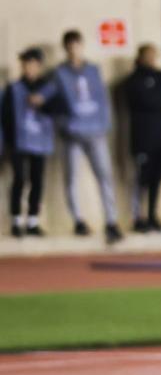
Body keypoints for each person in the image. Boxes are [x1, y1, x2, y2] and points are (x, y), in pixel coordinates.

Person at [51, 30, 123, 243]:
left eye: (77, 46)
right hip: (72, 133)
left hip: (96, 132)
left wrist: (105, 124)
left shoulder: (93, 70)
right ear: (66, 49)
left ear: (81, 46)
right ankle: (79, 220)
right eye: (70, 47)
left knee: (104, 175)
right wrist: (64, 124)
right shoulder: (59, 74)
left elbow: (102, 99)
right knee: (71, 177)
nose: (74, 50)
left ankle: (111, 221)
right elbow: (51, 99)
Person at [2, 48, 57, 237]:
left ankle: (32, 221)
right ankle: (16, 221)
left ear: (39, 67)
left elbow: (60, 110)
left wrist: (42, 102)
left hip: (40, 141)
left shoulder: (48, 89)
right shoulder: (13, 88)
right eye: (26, 64)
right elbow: (5, 118)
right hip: (18, 142)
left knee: (37, 181)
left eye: (32, 65)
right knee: (19, 180)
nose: (29, 68)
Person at [122, 43, 161, 232]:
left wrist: (154, 99)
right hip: (142, 137)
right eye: (148, 55)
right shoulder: (133, 80)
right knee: (140, 179)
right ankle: (138, 216)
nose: (151, 59)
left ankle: (153, 215)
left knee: (157, 179)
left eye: (154, 55)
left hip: (160, 136)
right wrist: (153, 99)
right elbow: (142, 101)